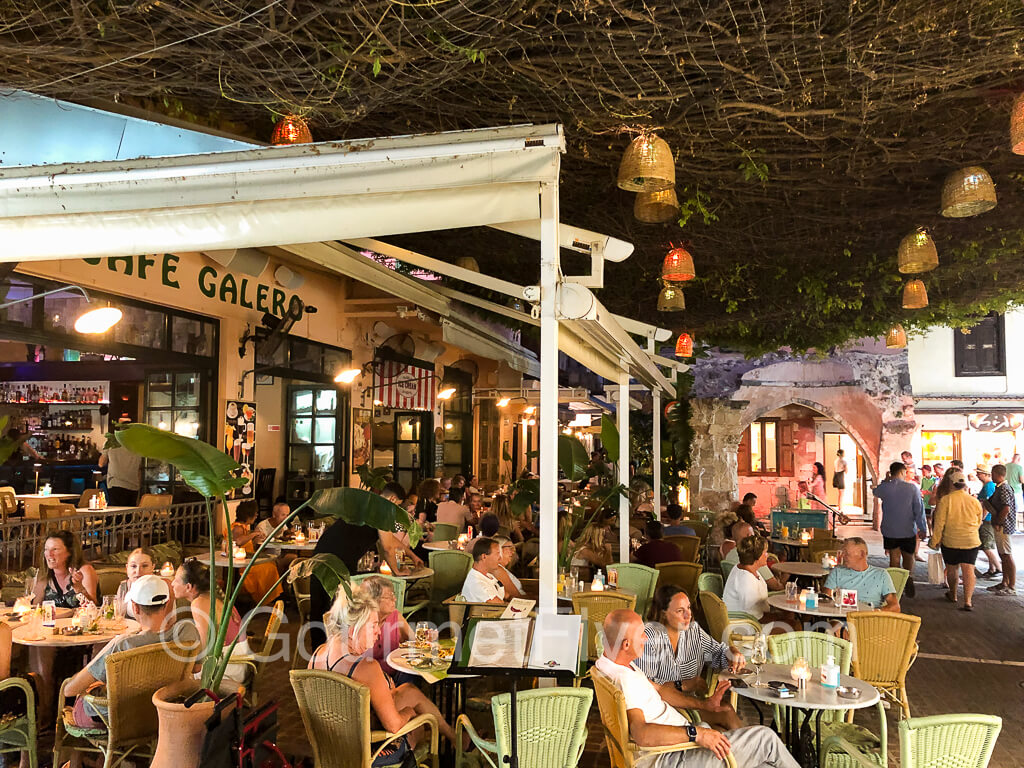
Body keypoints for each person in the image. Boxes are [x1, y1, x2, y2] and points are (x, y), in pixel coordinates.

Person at [596, 609, 800, 768]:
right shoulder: (625, 681)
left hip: (678, 747)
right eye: (641, 635)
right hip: (672, 758)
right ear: (625, 645)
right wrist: (697, 734)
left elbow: (661, 691)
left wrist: (704, 705)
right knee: (766, 740)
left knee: (765, 762)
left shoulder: (607, 665)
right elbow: (642, 734)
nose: (646, 638)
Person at [309, 586, 463, 755]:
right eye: (374, 625)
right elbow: (394, 725)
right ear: (354, 629)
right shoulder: (366, 668)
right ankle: (449, 744)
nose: (378, 632)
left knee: (407, 691)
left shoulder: (317, 655)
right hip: (366, 751)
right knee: (417, 725)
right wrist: (411, 713)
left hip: (331, 746)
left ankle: (454, 738)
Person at [64, 576, 199, 749]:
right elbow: (196, 667)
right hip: (158, 714)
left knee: (75, 699)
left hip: (118, 718)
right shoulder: (187, 633)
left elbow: (70, 689)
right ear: (166, 605)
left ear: (134, 607)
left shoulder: (123, 644)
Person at [309, 481, 418, 649]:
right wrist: (396, 571)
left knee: (320, 606)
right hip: (338, 560)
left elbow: (389, 540)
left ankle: (320, 654)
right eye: (397, 506)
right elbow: (387, 547)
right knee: (337, 608)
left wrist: (412, 554)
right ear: (393, 499)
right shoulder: (383, 511)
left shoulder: (369, 505)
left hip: (322, 553)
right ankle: (336, 653)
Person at [636, 586, 744, 731]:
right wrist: (684, 684)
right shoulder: (648, 638)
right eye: (680, 611)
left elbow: (718, 654)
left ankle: (746, 749)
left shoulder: (694, 632)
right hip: (660, 712)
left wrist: (732, 653)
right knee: (726, 712)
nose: (688, 615)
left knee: (722, 731)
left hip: (690, 705)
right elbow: (646, 688)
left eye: (688, 608)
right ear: (663, 614)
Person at [170, 559, 251, 690]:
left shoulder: (199, 603)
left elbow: (206, 646)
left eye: (176, 580)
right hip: (239, 661)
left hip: (227, 668)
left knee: (172, 675)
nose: (172, 583)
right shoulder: (214, 596)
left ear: (189, 587)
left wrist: (193, 667)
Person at [871, 461, 926, 597]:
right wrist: (922, 527)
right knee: (909, 556)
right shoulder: (912, 488)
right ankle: (908, 577)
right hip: (908, 529)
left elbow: (875, 491)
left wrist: (886, 479)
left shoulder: (885, 488)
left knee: (894, 559)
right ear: (902, 472)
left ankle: (895, 585)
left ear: (891, 472)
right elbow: (919, 509)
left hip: (890, 529)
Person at [930, 469, 982, 610]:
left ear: (951, 483)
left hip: (951, 540)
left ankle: (953, 595)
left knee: (952, 569)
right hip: (971, 540)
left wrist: (934, 540)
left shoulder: (946, 500)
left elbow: (939, 523)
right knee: (969, 570)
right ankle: (968, 601)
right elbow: (979, 520)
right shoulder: (974, 501)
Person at [358, 575, 417, 685]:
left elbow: (415, 643)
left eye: (393, 595)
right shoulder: (360, 623)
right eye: (389, 597)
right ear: (374, 601)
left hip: (396, 677)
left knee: (411, 671)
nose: (394, 599)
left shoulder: (396, 617)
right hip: (367, 681)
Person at [822, 538, 899, 612]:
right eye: (843, 552)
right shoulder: (837, 572)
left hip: (870, 620)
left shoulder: (881, 575)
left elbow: (895, 607)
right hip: (842, 618)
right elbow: (825, 599)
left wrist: (874, 612)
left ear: (862, 554)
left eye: (846, 553)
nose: (842, 556)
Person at [231, 500, 283, 607]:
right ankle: (262, 600)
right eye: (255, 513)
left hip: (247, 559)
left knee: (271, 565)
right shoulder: (237, 527)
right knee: (267, 568)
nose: (256, 515)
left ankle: (265, 600)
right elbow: (238, 541)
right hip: (242, 564)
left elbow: (247, 543)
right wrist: (254, 534)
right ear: (248, 515)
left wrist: (255, 538)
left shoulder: (244, 527)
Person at [720, 522, 784, 591]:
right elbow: (776, 586)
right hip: (761, 597)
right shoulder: (755, 557)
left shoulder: (730, 555)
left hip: (738, 593)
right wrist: (787, 576)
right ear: (750, 536)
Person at [985, 464, 1017, 596]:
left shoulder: (1004, 488)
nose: (991, 476)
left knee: (1007, 555)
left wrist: (998, 521)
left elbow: (1006, 508)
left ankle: (1012, 586)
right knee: (1002, 555)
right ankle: (1004, 582)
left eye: (992, 473)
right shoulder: (1001, 487)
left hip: (1004, 526)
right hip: (1001, 525)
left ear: (996, 473)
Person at [722, 536, 770, 620]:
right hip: (746, 626)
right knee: (793, 625)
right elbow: (754, 616)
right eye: (765, 552)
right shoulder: (746, 579)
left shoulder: (747, 569)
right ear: (757, 556)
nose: (768, 555)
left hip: (753, 619)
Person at [97, 420, 142, 507]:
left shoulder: (110, 442)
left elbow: (101, 463)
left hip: (116, 483)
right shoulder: (138, 444)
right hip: (133, 485)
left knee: (116, 515)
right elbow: (141, 466)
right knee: (129, 516)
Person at [974, 466, 1001, 579]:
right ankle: (992, 569)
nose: (977, 475)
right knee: (987, 544)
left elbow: (987, 504)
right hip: (988, 518)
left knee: (986, 545)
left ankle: (999, 569)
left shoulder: (989, 486)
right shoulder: (987, 486)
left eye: (979, 473)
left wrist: (982, 518)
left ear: (985, 474)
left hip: (987, 519)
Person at [114, 547, 156, 620]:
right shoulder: (123, 587)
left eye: (144, 566)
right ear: (127, 568)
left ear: (153, 567)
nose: (138, 571)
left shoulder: (160, 587)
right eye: (133, 566)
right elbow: (118, 616)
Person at [461, 538, 505, 603]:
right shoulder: (477, 584)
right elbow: (500, 605)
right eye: (497, 553)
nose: (500, 558)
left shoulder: (487, 575)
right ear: (484, 557)